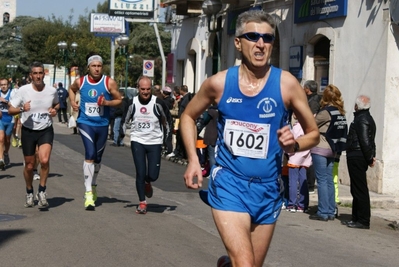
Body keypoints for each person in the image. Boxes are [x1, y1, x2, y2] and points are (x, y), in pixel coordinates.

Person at [180, 10, 319, 267]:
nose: (260, 43)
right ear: (238, 42)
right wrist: (193, 160)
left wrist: (294, 145)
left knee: (251, 264)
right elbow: (188, 117)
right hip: (229, 183)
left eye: (267, 38)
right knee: (245, 263)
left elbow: (314, 134)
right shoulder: (219, 84)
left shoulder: (286, 84)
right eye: (253, 36)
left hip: (268, 188)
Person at [69, 52, 122, 210]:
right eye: (94, 66)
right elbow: (71, 90)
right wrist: (73, 102)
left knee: (98, 158)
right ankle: (88, 193)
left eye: (99, 66)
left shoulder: (109, 82)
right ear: (88, 67)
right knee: (90, 154)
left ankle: (93, 184)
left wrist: (106, 102)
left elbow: (119, 100)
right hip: (85, 123)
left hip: (102, 125)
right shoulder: (81, 81)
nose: (97, 69)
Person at [8, 61, 60, 208]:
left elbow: (57, 104)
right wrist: (22, 109)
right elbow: (11, 109)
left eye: (40, 73)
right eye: (35, 73)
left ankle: (42, 191)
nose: (38, 76)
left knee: (44, 160)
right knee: (30, 166)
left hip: (45, 130)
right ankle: (29, 191)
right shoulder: (23, 91)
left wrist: (54, 110)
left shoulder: (51, 91)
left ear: (44, 74)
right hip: (28, 131)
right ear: (31, 75)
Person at [123, 76, 169, 214]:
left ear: (152, 89)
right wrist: (120, 134)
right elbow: (125, 120)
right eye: (142, 89)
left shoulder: (158, 103)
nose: (145, 92)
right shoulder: (133, 103)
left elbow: (167, 121)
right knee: (140, 172)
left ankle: (148, 182)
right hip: (138, 140)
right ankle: (142, 202)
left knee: (153, 175)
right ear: (138, 88)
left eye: (148, 89)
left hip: (154, 141)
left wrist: (167, 140)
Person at [309, 84, 347, 222]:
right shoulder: (340, 112)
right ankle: (331, 210)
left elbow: (311, 124)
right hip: (334, 148)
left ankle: (323, 212)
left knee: (322, 180)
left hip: (321, 147)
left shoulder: (326, 112)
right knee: (329, 179)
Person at [343, 95, 376, 229]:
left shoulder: (362, 119)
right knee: (356, 188)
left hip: (357, 156)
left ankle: (362, 220)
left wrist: (369, 158)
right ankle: (356, 217)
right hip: (358, 155)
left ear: (357, 106)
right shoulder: (365, 118)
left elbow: (365, 141)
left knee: (359, 189)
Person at [286, 113, 312, 213]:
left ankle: (292, 204)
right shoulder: (308, 127)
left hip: (295, 156)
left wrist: (287, 152)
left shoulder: (297, 127)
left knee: (293, 181)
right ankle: (302, 204)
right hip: (305, 157)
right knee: (303, 180)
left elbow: (291, 141)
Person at [303, 80, 320, 194]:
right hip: (306, 132)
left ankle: (310, 184)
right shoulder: (309, 99)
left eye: (304, 88)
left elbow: (311, 117)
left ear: (308, 89)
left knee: (310, 160)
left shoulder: (314, 101)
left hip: (310, 132)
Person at [0, 78, 15, 169]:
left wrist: (5, 101)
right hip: (1, 119)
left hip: (10, 119)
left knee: (7, 140)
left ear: (8, 85)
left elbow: (15, 106)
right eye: (1, 85)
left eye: (5, 84)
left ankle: (6, 153)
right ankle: (1, 159)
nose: (3, 86)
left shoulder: (13, 93)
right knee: (1, 139)